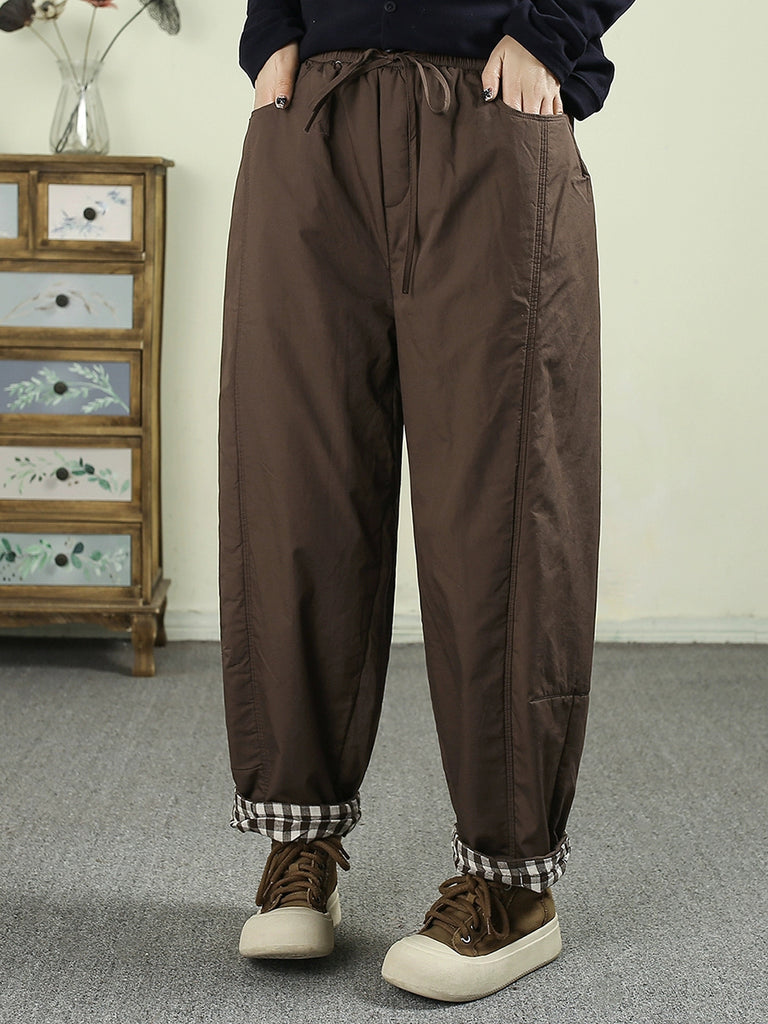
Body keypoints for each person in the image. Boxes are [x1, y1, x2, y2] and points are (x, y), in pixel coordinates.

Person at [218, 0, 635, 1004]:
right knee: (294, 491)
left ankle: (512, 885)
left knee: (504, 513)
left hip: (488, 110)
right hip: (314, 119)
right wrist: (272, 32)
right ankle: (299, 842)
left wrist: (553, 31)